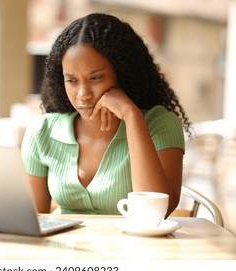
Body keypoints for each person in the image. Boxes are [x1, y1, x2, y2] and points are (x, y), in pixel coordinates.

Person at [21, 13, 191, 217]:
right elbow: (33, 220)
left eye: (96, 78)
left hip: (133, 247)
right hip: (64, 247)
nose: (83, 94)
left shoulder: (160, 124)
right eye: (72, 81)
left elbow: (154, 213)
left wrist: (132, 116)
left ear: (123, 73)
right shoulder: (42, 132)